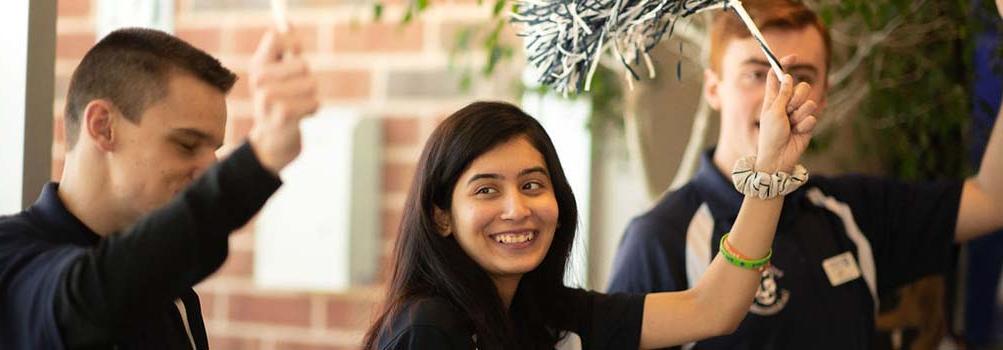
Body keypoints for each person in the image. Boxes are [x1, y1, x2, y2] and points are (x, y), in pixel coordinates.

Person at [606, 0, 1003, 349]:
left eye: (802, 78)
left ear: (824, 95)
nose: (778, 99)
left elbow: (991, 200)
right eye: (757, 74)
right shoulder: (660, 239)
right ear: (714, 88)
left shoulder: (852, 211)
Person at [362, 58, 819, 349]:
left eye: (533, 184)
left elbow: (711, 309)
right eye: (486, 190)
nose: (517, 209)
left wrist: (771, 171)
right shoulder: (428, 327)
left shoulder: (549, 314)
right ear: (441, 215)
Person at [0, 27, 317, 349]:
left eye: (215, 150)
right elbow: (90, 298)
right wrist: (259, 158)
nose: (210, 168)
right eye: (186, 144)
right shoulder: (11, 256)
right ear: (103, 126)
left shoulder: (172, 295)